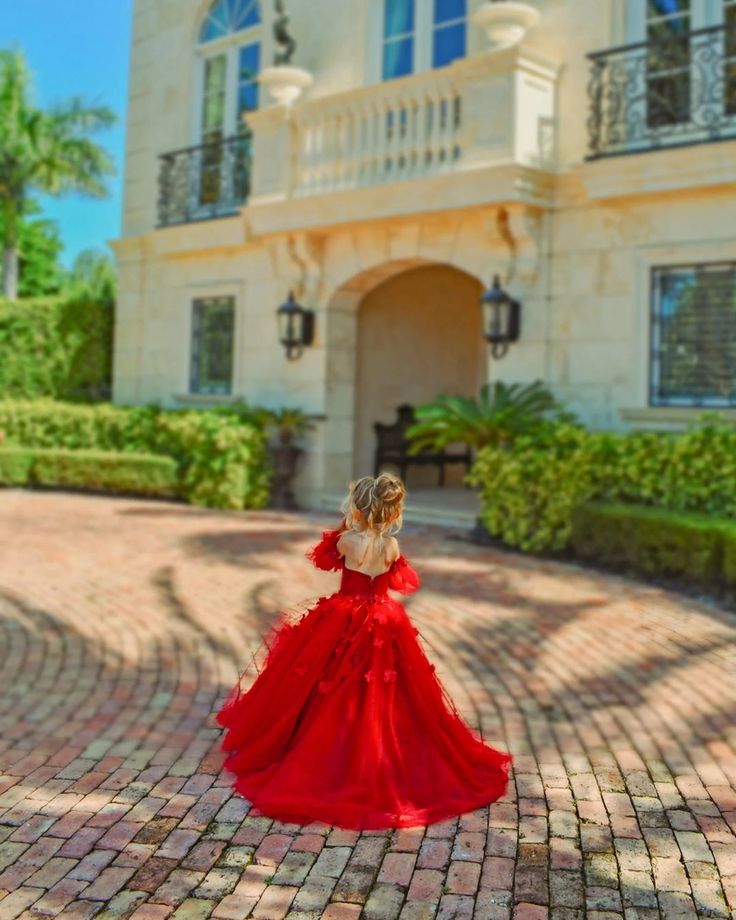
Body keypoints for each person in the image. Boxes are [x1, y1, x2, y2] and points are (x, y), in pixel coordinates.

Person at [215, 472, 512, 830]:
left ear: (358, 506)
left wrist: (348, 524)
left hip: (343, 615)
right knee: (384, 686)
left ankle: (314, 745)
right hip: (384, 618)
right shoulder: (392, 547)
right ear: (391, 510)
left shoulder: (347, 541)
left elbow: (324, 559)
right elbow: (400, 582)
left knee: (323, 677)